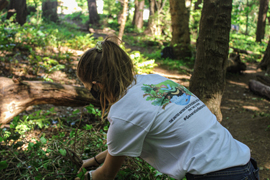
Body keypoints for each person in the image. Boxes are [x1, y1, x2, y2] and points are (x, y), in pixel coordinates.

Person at [76, 37, 260, 180]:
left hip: (217, 175)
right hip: (244, 163)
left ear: (97, 85)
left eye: (87, 87)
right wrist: (89, 162)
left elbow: (106, 175)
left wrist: (80, 176)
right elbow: (121, 146)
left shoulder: (124, 115)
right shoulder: (155, 80)